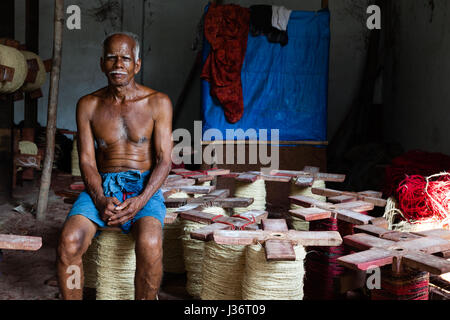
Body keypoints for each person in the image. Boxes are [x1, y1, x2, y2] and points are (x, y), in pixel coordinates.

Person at [56, 32, 173, 300]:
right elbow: (86, 159)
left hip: (143, 186)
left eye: (125, 58)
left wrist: (142, 200)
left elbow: (164, 159)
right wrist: (99, 198)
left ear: (137, 65)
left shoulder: (158, 102)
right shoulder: (88, 105)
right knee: (68, 243)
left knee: (151, 243)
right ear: (101, 63)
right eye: (111, 58)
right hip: (103, 185)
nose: (118, 65)